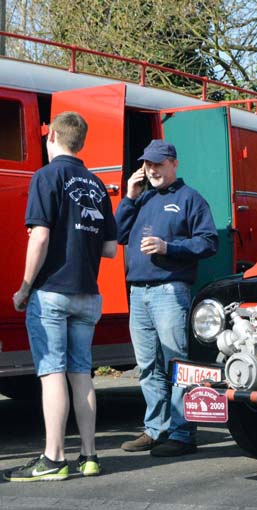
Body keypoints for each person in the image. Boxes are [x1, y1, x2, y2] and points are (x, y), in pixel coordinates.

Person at [5, 111, 117, 482]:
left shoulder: (47, 176)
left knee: (51, 374)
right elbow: (111, 250)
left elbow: (39, 237)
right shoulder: (98, 184)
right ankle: (90, 456)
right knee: (81, 374)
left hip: (52, 292)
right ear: (81, 141)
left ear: (51, 136)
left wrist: (23, 287)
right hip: (88, 293)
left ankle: (53, 459)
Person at [116, 139, 218, 457]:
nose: (152, 170)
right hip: (138, 292)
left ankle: (183, 433)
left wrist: (168, 247)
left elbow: (209, 241)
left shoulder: (190, 199)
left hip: (169, 290)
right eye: (148, 164)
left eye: (159, 164)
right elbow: (116, 234)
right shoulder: (141, 198)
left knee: (177, 364)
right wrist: (129, 197)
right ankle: (155, 429)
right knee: (147, 366)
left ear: (174, 164)